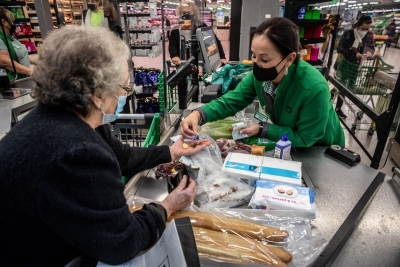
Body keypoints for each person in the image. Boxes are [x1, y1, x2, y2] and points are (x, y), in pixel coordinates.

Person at [0, 26, 211, 266]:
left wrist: (171, 151)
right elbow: (122, 243)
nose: (125, 96)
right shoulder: (76, 152)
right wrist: (167, 206)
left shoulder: (65, 116)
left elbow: (122, 157)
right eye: (124, 88)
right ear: (98, 93)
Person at [181, 17, 345, 148]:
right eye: (253, 55)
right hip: (290, 142)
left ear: (289, 59)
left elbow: (305, 138)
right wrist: (199, 114)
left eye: (264, 59)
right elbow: (231, 101)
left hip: (320, 149)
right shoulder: (258, 76)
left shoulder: (313, 89)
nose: (257, 64)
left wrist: (263, 129)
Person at [334, 15, 375, 119]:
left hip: (355, 66)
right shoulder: (348, 33)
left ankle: (339, 106)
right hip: (343, 64)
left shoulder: (369, 35)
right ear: (358, 24)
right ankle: (337, 108)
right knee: (342, 86)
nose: (365, 31)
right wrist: (353, 54)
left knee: (350, 87)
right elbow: (339, 49)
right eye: (363, 28)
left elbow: (371, 48)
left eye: (367, 29)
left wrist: (370, 54)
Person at [169, 1, 227, 65]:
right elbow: (172, 45)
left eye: (188, 13)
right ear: (180, 14)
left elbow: (215, 41)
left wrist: (222, 57)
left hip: (200, 64)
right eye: (184, 13)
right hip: (183, 64)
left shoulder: (202, 26)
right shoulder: (176, 30)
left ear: (194, 14)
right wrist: (174, 56)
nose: (186, 15)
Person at [0, 7, 36, 80]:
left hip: (22, 79)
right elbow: (5, 61)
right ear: (4, 22)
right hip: (13, 83)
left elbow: (21, 55)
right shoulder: (1, 38)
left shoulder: (10, 37)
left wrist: (43, 62)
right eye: (12, 21)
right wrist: (31, 72)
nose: (13, 24)